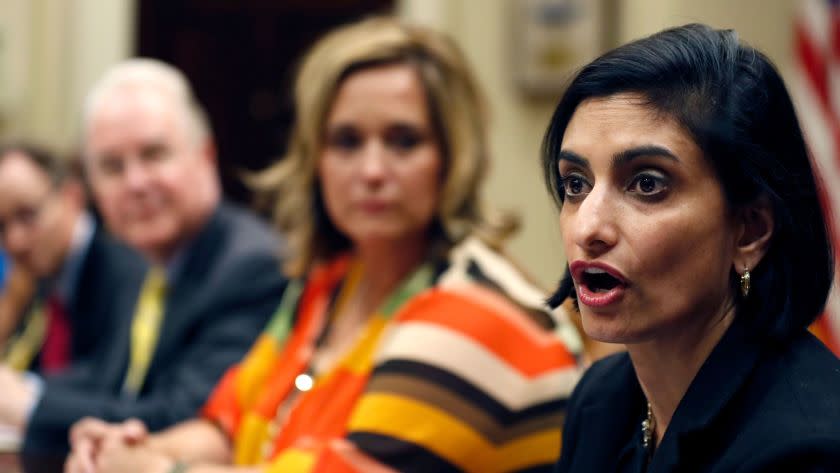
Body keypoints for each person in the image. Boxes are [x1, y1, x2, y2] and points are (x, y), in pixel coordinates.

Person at [65, 17, 582, 473]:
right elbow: (228, 426)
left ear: (452, 157)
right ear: (315, 161)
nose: (372, 171)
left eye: (403, 140)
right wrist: (123, 448)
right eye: (346, 142)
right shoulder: (330, 284)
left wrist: (150, 468)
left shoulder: (474, 311)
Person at [543, 24, 840, 472]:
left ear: (749, 231)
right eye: (576, 184)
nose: (587, 227)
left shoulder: (808, 448)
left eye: (646, 184)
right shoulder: (601, 402)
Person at [0, 59, 287, 459]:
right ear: (91, 184)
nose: (135, 183)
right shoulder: (149, 258)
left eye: (154, 154)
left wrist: (28, 405)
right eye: (112, 166)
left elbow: (185, 417)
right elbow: (111, 382)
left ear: (204, 155)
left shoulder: (250, 267)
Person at [0, 144, 143, 380]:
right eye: (1, 227)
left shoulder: (124, 272)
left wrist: (27, 392)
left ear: (72, 197)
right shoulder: (36, 279)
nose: (15, 241)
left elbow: (114, 382)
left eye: (27, 215)